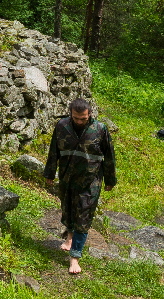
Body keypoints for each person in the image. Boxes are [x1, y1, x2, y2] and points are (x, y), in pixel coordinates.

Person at [43, 98, 117, 275]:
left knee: (83, 215)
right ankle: (69, 238)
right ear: (70, 114)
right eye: (76, 118)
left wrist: (110, 180)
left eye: (83, 118)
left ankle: (75, 257)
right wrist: (49, 174)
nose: (79, 121)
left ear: (89, 114)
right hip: (67, 178)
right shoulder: (61, 126)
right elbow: (54, 150)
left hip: (91, 181)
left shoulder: (100, 129)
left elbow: (109, 156)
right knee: (68, 209)